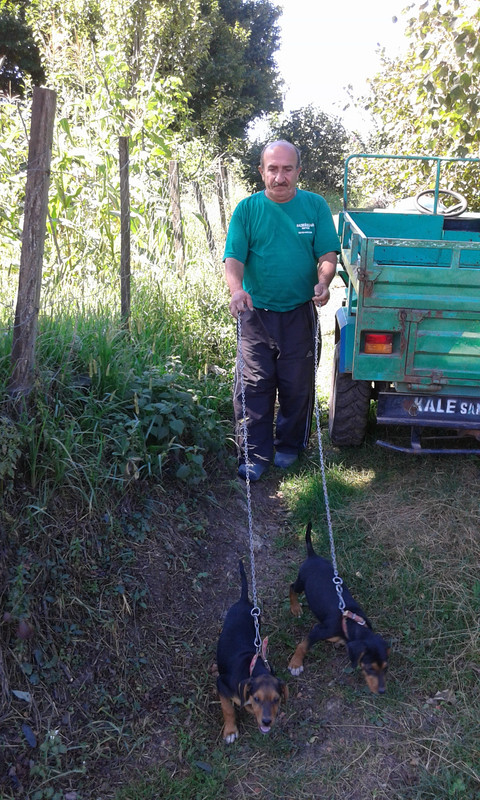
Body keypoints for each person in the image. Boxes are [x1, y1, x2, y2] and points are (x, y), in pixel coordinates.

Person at [224, 140, 341, 482]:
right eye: (272, 169)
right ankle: (254, 455)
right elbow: (234, 258)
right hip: (255, 313)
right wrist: (236, 291)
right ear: (261, 172)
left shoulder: (315, 206)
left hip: (299, 312)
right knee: (254, 384)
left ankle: (289, 446)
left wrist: (323, 282)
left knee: (296, 385)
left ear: (298, 172)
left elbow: (328, 257)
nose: (280, 177)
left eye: (287, 169)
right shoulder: (247, 209)